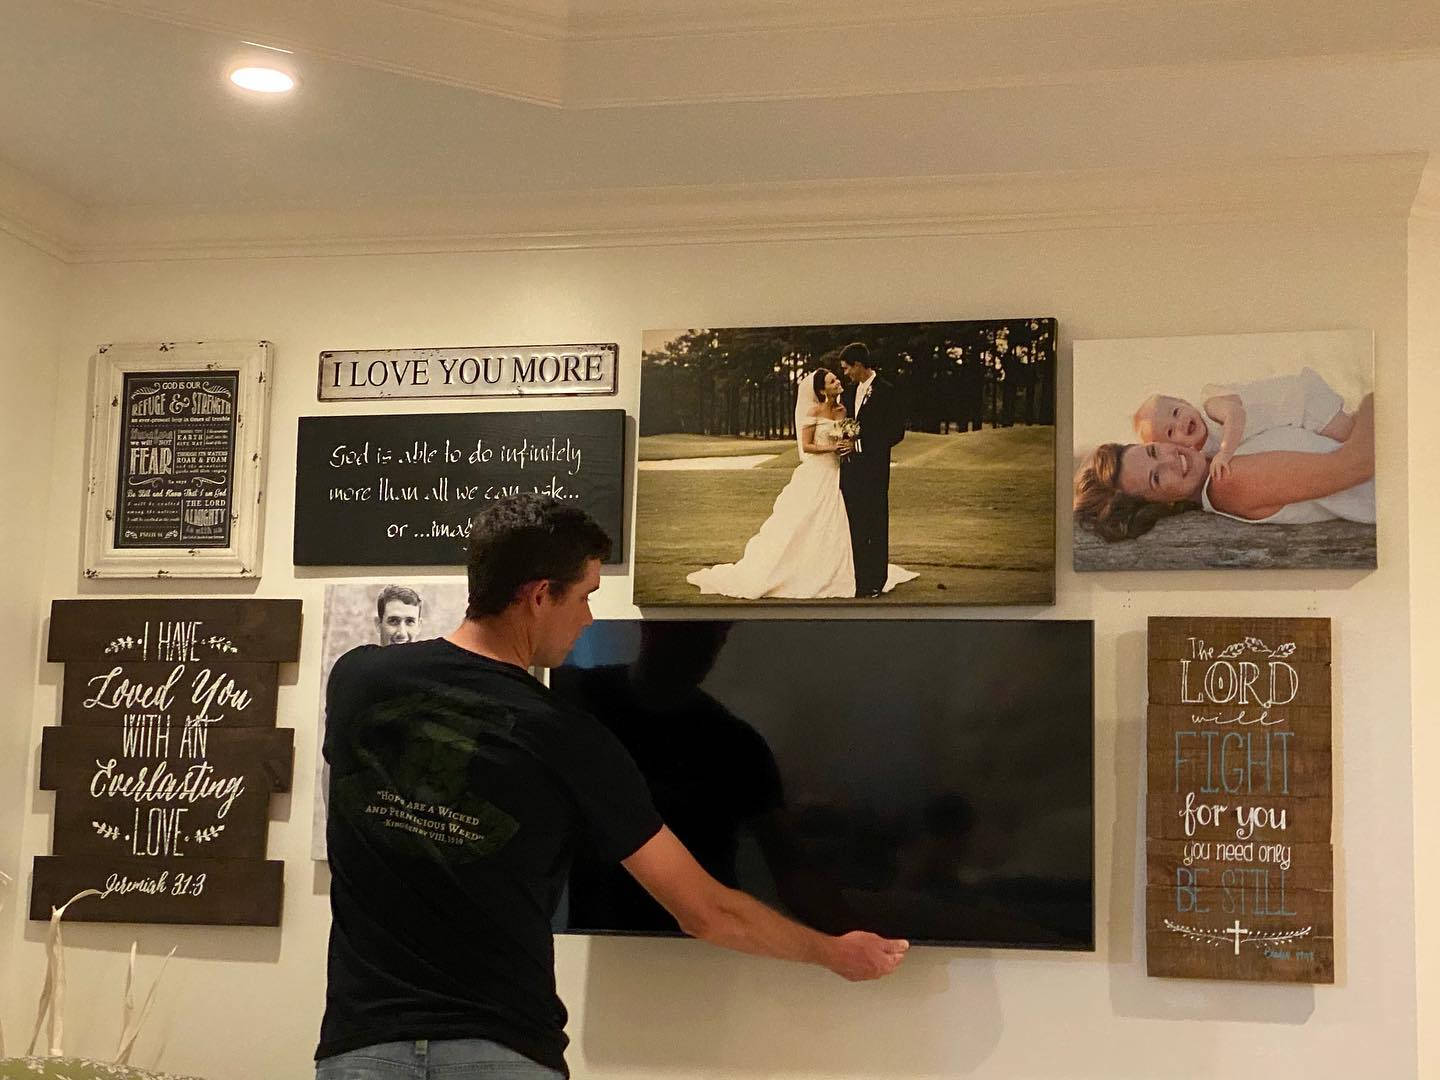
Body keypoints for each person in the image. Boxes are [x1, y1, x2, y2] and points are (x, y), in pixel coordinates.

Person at [317, 495, 909, 1080]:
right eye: (585, 597)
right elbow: (705, 911)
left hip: (361, 1049)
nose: (590, 619)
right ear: (540, 595)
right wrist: (833, 953)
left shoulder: (359, 679)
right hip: (500, 1049)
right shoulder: (569, 735)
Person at [1074, 392, 1375, 541]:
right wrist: (1373, 400)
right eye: (1156, 478)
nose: (1170, 459)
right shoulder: (1228, 483)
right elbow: (1359, 464)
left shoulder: (1221, 452)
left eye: (1153, 451)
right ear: (1159, 504)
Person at [1131, 367, 1358, 481]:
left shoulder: (1210, 404)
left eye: (1176, 411)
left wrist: (1224, 453)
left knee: (1350, 435)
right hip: (1294, 419)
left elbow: (1236, 415)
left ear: (1184, 402)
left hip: (1299, 400)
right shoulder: (1203, 452)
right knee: (1344, 437)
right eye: (1170, 432)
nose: (1180, 423)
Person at [837, 342, 911, 597]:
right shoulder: (848, 392)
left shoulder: (887, 391)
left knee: (875, 525)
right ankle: (858, 579)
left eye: (847, 368)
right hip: (850, 472)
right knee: (855, 525)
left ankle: (875, 581)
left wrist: (858, 444)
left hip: (875, 471)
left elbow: (895, 432)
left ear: (858, 365)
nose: (845, 373)